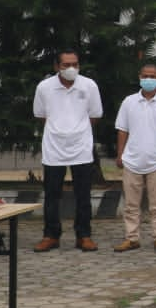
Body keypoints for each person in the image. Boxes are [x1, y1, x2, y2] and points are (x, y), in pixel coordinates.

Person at [32, 49, 103, 253]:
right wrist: (60, 130)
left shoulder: (89, 85)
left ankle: (84, 235)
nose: (71, 69)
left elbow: (95, 115)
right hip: (53, 147)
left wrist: (76, 130)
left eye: (75, 64)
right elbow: (41, 115)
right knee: (52, 194)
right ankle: (51, 235)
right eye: (66, 65)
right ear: (56, 67)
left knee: (83, 194)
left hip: (81, 146)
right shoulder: (44, 87)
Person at [113, 62, 156, 253]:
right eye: (145, 76)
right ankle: (131, 237)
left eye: (153, 76)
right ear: (139, 77)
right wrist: (120, 154)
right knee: (131, 204)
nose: (148, 79)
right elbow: (122, 130)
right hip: (132, 160)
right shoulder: (129, 102)